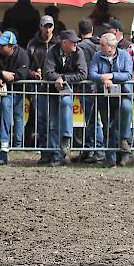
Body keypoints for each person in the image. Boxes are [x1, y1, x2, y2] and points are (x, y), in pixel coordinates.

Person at [0, 31, 29, 166]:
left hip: (15, 94)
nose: (0, 47)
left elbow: (22, 74)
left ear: (12, 47)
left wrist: (11, 78)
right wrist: (2, 74)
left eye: (3, 45)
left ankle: (4, 150)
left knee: (6, 108)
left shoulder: (22, 55)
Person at [42, 30, 87, 166]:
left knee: (66, 102)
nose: (76, 44)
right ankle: (56, 155)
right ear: (64, 43)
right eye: (73, 42)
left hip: (68, 89)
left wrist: (64, 78)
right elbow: (47, 71)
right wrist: (57, 78)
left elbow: (83, 73)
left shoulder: (78, 52)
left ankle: (66, 137)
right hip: (52, 91)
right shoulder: (52, 51)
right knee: (53, 123)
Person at [88, 33, 133, 168]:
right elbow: (92, 73)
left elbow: (128, 74)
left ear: (111, 47)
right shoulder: (97, 56)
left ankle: (124, 143)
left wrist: (112, 76)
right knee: (108, 126)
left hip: (123, 94)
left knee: (126, 110)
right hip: (104, 96)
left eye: (102, 45)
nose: (99, 47)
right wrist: (103, 78)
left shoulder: (124, 56)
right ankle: (110, 159)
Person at [104, 19, 134, 161]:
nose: (107, 31)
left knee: (125, 114)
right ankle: (112, 155)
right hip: (109, 90)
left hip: (124, 90)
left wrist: (129, 83)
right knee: (111, 122)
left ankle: (124, 149)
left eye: (110, 29)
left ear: (117, 31)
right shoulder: (104, 45)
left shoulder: (130, 47)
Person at [26, 15, 59, 163]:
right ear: (40, 26)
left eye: (50, 26)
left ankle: (56, 152)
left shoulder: (58, 43)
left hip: (55, 87)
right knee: (42, 121)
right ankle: (45, 151)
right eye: (45, 26)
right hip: (38, 87)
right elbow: (25, 65)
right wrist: (32, 73)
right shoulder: (32, 44)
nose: (47, 29)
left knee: (55, 121)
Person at [75, 17, 104, 163]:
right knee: (96, 120)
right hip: (100, 86)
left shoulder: (80, 47)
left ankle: (97, 149)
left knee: (91, 120)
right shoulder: (100, 44)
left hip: (87, 87)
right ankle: (90, 149)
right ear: (92, 29)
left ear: (79, 31)